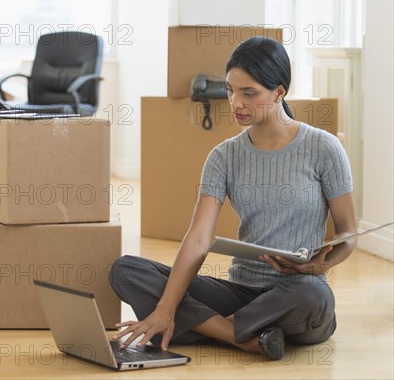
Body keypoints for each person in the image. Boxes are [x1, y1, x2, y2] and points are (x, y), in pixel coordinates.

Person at [109, 36, 357, 360]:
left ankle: (206, 328)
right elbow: (198, 238)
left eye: (249, 93)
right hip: (241, 293)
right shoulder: (223, 156)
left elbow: (348, 233)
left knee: (316, 296)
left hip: (296, 292)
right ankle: (242, 337)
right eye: (230, 90)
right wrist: (166, 308)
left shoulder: (324, 148)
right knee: (125, 270)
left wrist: (323, 263)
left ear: (279, 92)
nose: (236, 103)